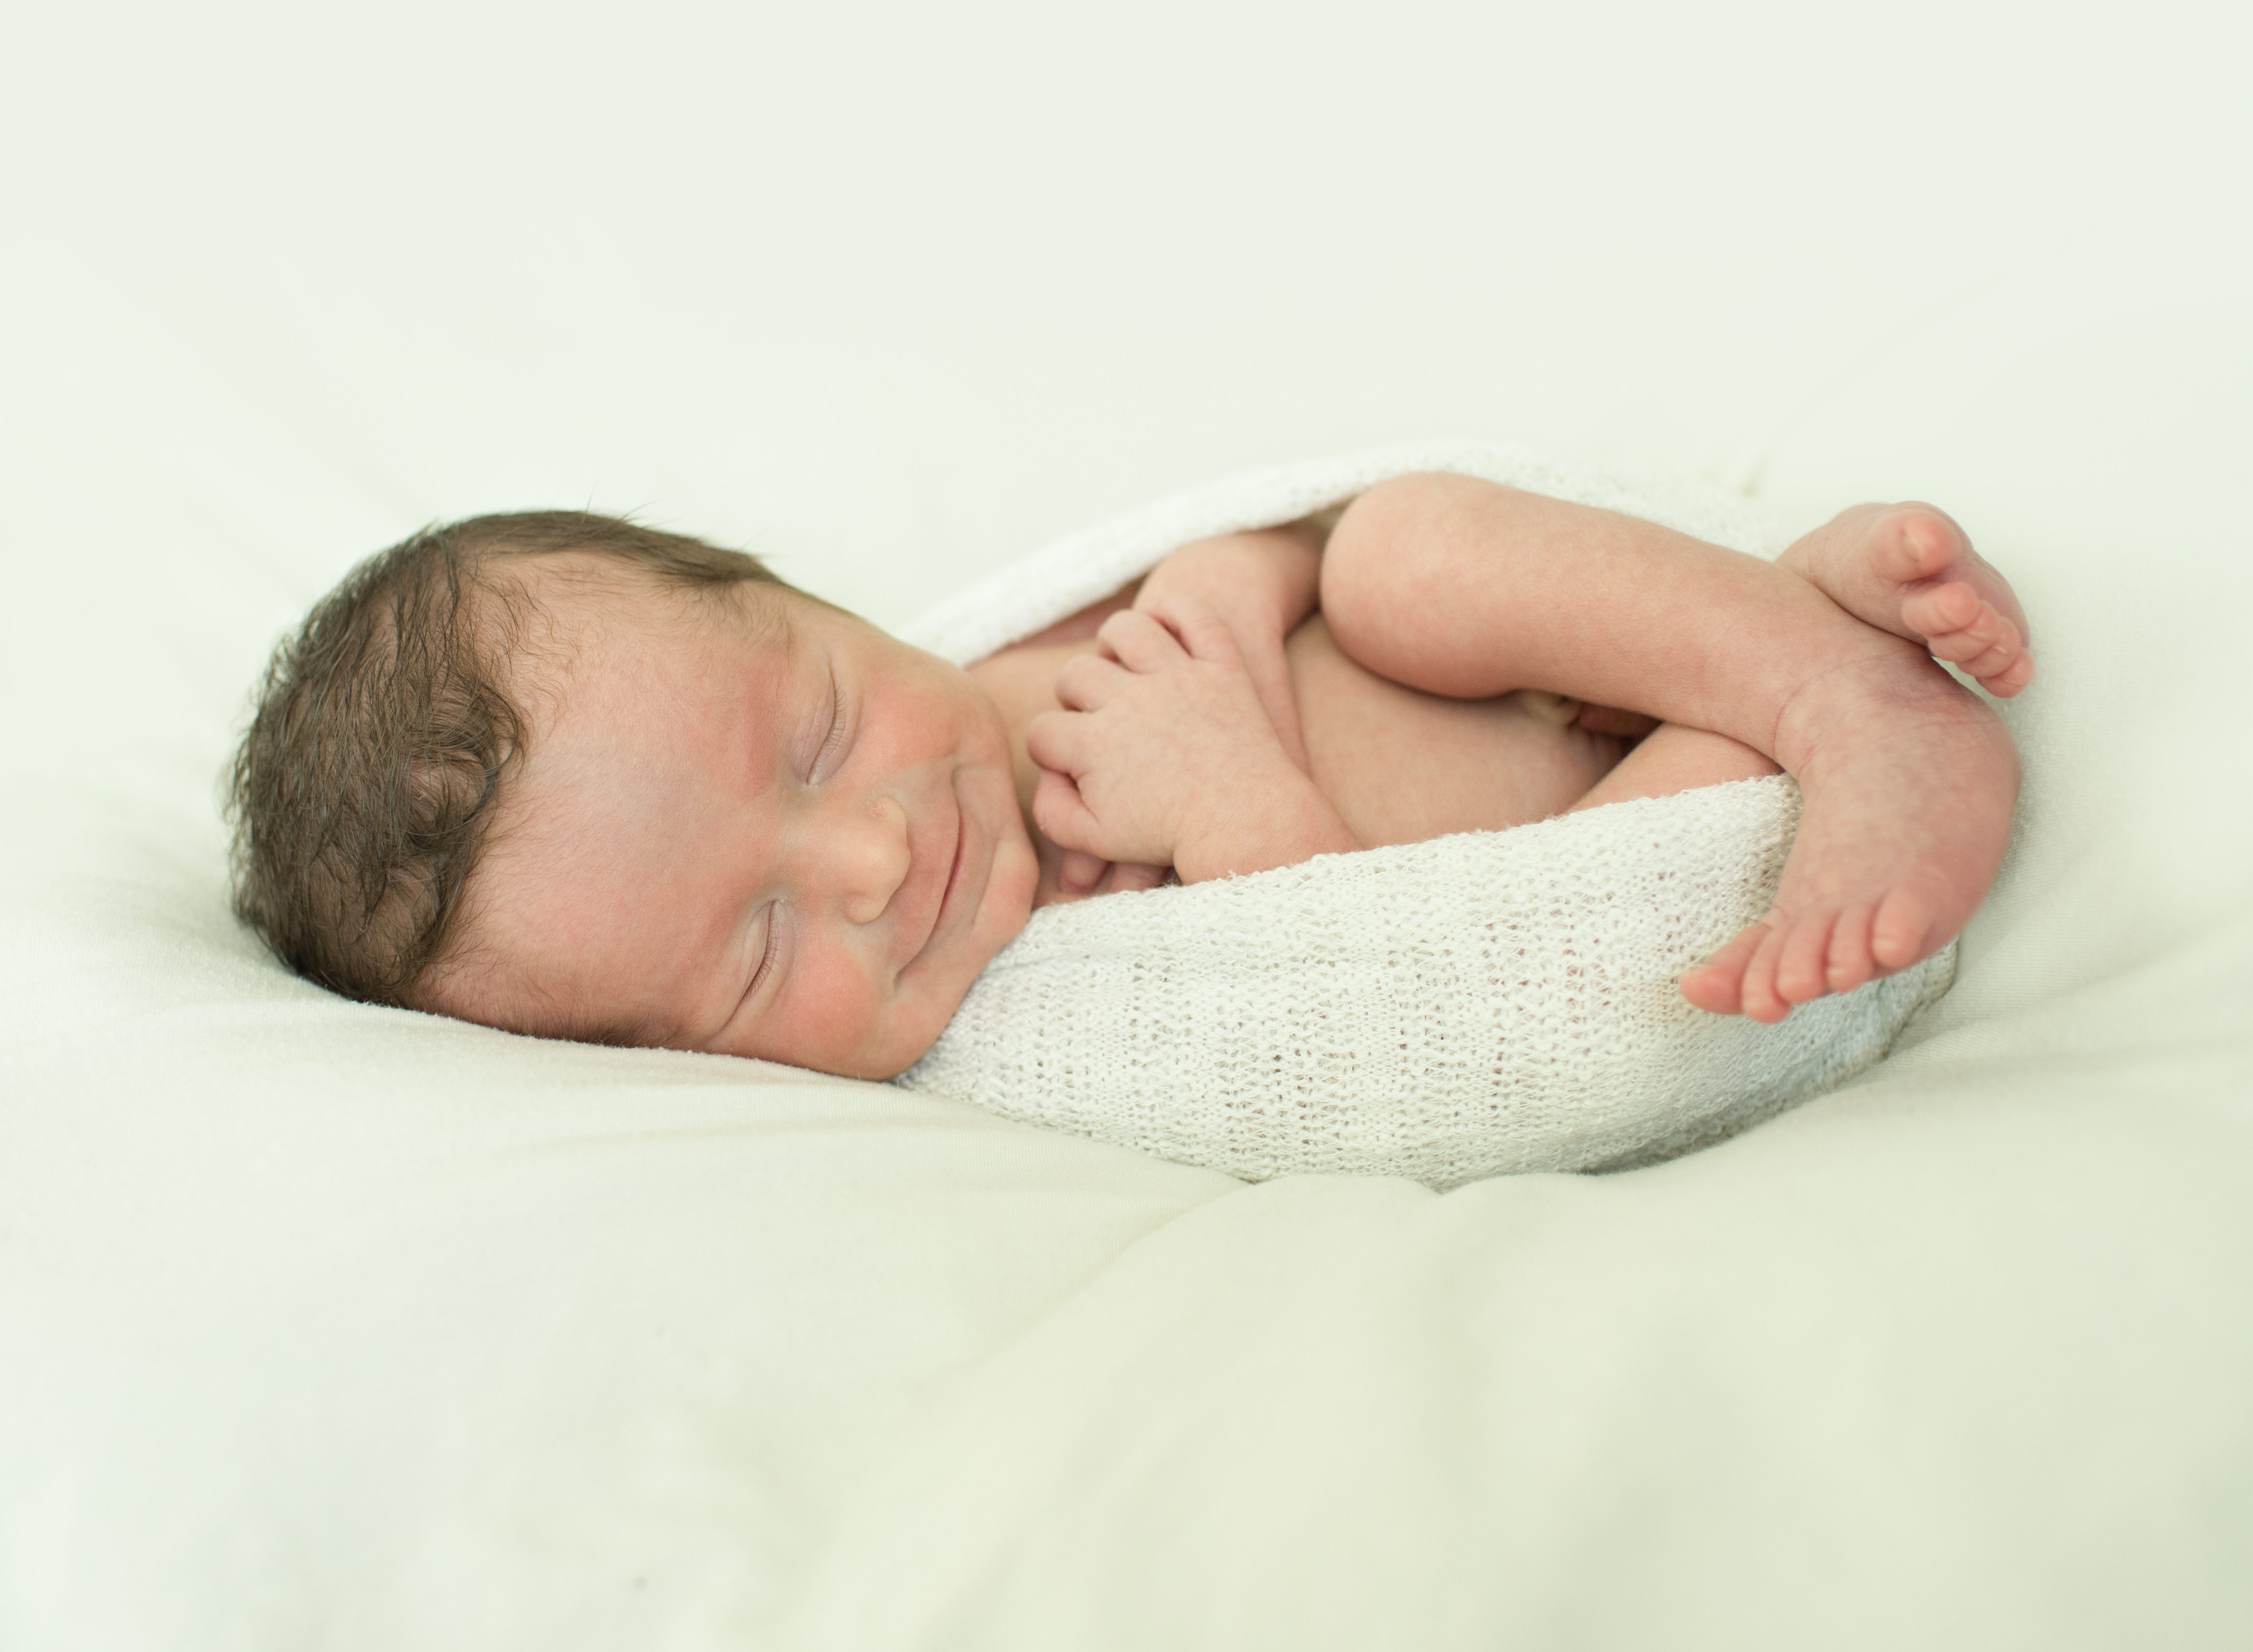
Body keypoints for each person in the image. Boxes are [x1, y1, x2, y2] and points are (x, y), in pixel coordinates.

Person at [227, 474, 2030, 1081]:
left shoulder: (1012, 664)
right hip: (1608, 840)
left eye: (821, 731)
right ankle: (1798, 676)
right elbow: (1370, 1024)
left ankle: (1816, 671)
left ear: (815, 605)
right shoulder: (1041, 1030)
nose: (870, 858)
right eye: (759, 950)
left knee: (1401, 551)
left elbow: (1272, 543)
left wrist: (1225, 605)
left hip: (1567, 674)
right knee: (1612, 968)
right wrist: (1230, 801)